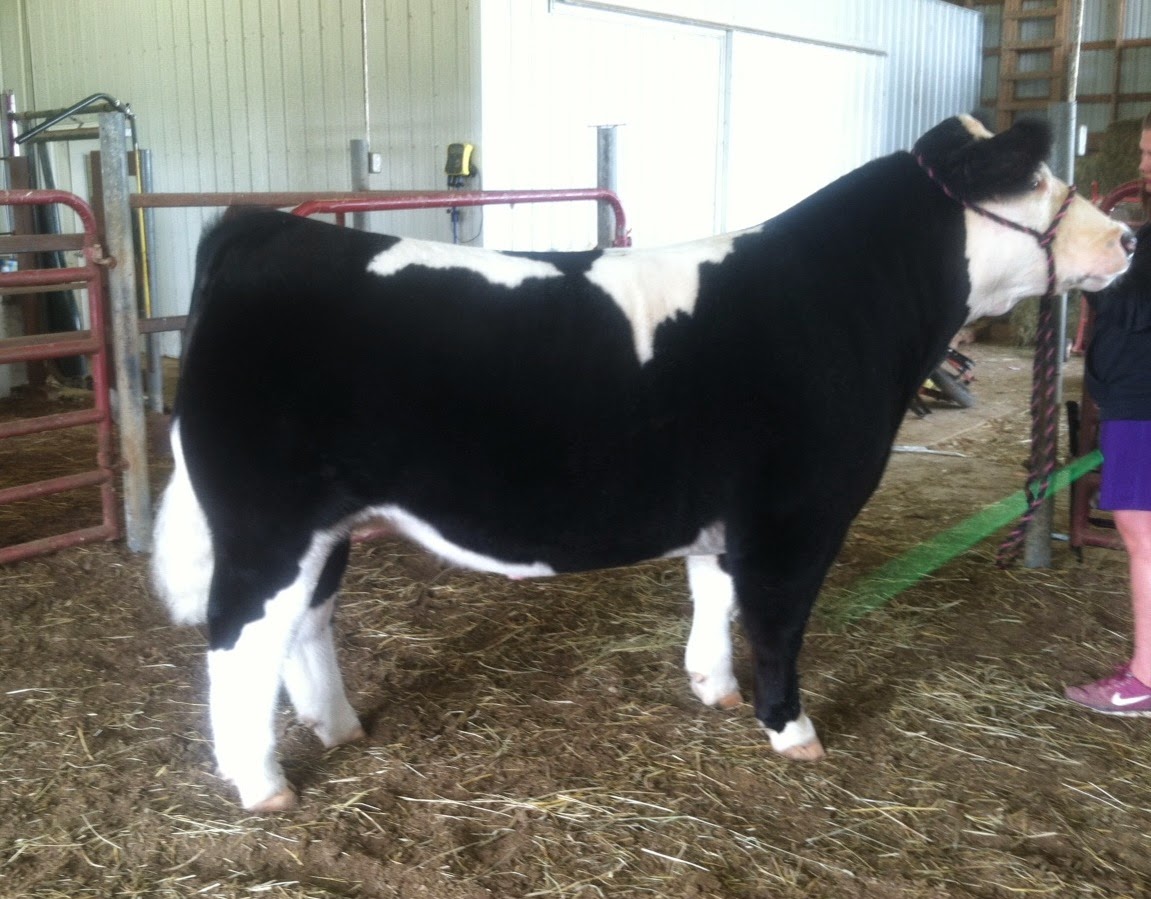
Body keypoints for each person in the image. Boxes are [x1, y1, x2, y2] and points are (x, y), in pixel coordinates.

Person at [1065, 112, 1151, 714]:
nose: (1143, 165)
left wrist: (1094, 261)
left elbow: (1131, 301)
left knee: (1141, 532)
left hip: (1142, 400)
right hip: (1134, 394)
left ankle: (1145, 679)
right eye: (1143, 152)